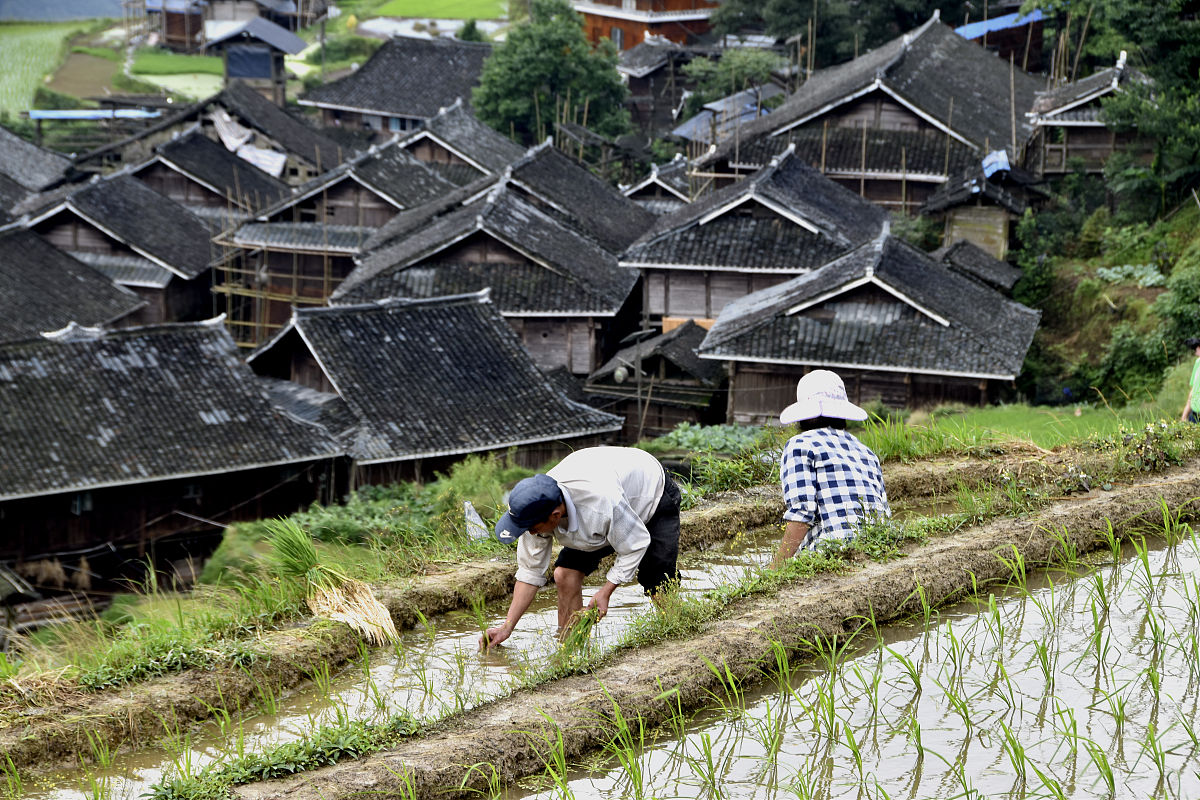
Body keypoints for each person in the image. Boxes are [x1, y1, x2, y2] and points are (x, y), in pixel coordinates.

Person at [481, 446, 681, 648]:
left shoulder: (602, 504)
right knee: (565, 574)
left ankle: (677, 637)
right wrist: (507, 627)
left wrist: (605, 592)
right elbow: (530, 572)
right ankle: (570, 649)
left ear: (555, 516)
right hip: (604, 493)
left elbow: (635, 544)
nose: (531, 533)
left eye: (532, 528)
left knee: (658, 579)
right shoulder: (532, 509)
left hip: (650, 493)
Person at [774, 370, 890, 565]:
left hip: (829, 557)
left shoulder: (800, 445)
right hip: (877, 553)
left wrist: (774, 570)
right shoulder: (867, 452)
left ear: (805, 415)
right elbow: (884, 516)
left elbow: (802, 515)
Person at [1181, 338, 1200, 423]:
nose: (1195, 353)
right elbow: (1193, 391)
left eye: (1196, 349)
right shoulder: (1198, 362)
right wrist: (1184, 416)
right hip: (1195, 411)